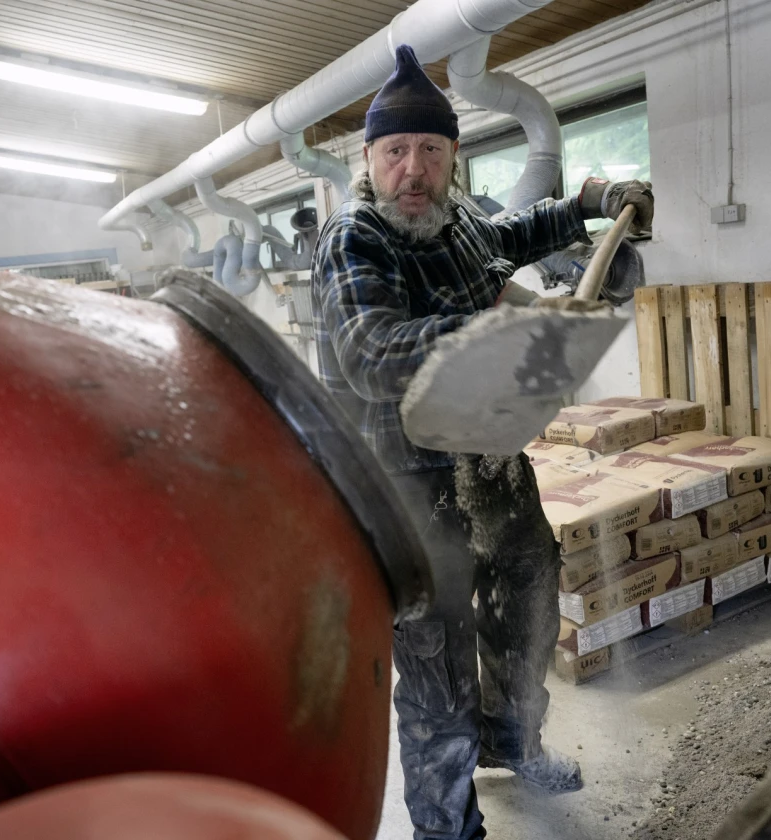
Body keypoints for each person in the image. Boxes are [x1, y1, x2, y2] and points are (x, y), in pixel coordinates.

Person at [311, 45, 654, 840]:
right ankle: (446, 825)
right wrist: (509, 324)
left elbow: (510, 231)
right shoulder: (354, 239)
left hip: (488, 459)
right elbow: (370, 351)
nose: (414, 169)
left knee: (530, 600)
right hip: (405, 487)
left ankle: (514, 741)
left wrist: (591, 200)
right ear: (368, 159)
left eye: (431, 150)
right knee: (436, 667)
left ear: (453, 157)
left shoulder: (455, 218)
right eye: (395, 151)